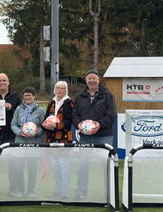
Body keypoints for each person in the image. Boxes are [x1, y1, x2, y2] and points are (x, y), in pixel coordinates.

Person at [72, 68, 116, 200]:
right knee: (83, 166)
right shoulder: (80, 97)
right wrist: (78, 124)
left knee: (106, 165)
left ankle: (109, 193)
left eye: (94, 78)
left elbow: (111, 115)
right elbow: (75, 115)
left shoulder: (107, 95)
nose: (91, 80)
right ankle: (81, 192)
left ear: (99, 80)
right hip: (85, 137)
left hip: (104, 135)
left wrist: (100, 125)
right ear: (86, 81)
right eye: (89, 78)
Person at [8, 87, 44, 198]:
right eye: (25, 96)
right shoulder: (19, 109)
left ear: (34, 96)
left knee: (32, 170)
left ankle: (31, 190)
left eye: (29, 95)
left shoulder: (40, 110)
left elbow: (43, 126)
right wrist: (20, 132)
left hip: (34, 143)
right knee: (19, 168)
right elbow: (13, 124)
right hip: (20, 142)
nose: (27, 98)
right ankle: (20, 190)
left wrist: (36, 132)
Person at [43, 81, 74, 200]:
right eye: (57, 88)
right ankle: (57, 191)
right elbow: (46, 118)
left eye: (62, 88)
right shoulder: (51, 102)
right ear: (54, 89)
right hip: (51, 138)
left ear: (66, 90)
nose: (59, 90)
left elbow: (69, 122)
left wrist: (56, 126)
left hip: (63, 139)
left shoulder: (69, 103)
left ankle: (64, 193)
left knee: (63, 166)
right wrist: (44, 124)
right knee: (55, 167)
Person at [0, 73, 21, 153]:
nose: (2, 82)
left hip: (11, 135)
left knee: (11, 160)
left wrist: (10, 108)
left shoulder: (16, 96)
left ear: (8, 82)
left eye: (4, 80)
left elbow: (20, 115)